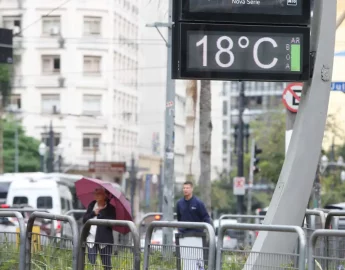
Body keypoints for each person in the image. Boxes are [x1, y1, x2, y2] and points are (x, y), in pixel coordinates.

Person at [83, 187, 116, 270]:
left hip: (104, 240)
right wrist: (93, 213)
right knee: (91, 263)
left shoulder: (110, 208)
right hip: (91, 239)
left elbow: (112, 222)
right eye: (95, 193)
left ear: (105, 196)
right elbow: (85, 219)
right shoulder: (92, 205)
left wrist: (101, 215)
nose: (96, 195)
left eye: (99, 194)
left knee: (107, 264)